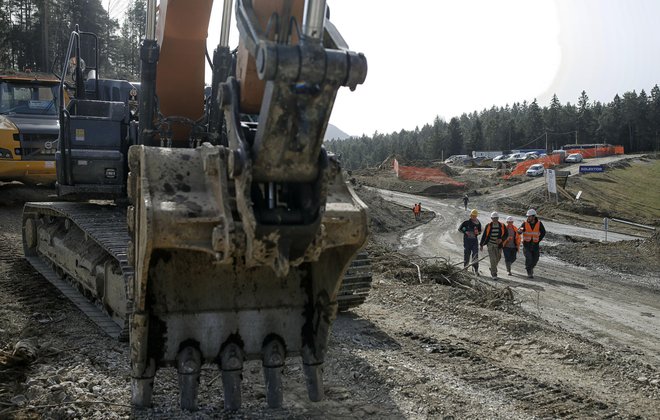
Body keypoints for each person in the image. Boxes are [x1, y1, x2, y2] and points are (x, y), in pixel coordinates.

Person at [518, 209, 546, 279]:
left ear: (534, 217)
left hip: (535, 245)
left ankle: (531, 268)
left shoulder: (539, 223)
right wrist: (520, 231)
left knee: (536, 259)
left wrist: (538, 239)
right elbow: (520, 229)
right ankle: (529, 272)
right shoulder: (525, 223)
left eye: (529, 216)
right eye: (528, 216)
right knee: (529, 258)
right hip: (526, 245)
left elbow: (543, 232)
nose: (528, 218)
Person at [480, 211, 508, 279]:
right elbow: (484, 236)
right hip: (490, 244)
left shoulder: (502, 225)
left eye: (496, 218)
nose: (495, 219)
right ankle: (494, 274)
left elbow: (506, 234)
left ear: (498, 218)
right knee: (493, 259)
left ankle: (492, 268)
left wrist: (501, 239)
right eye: (493, 218)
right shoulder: (488, 225)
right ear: (491, 218)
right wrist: (481, 245)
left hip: (498, 245)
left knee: (498, 258)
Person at [458, 209, 482, 274]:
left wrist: (478, 232)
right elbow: (460, 229)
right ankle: (465, 268)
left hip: (474, 241)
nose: (474, 217)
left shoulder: (478, 223)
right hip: (467, 241)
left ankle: (476, 270)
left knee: (475, 255)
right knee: (467, 254)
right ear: (470, 215)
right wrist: (465, 231)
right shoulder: (466, 223)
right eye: (473, 216)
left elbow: (480, 231)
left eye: (475, 216)